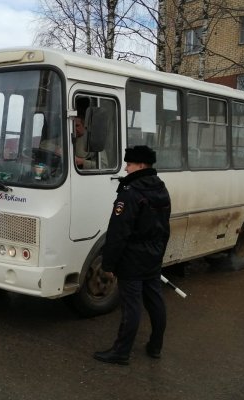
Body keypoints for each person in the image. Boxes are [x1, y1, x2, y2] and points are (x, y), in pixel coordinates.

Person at [93, 145, 171, 366]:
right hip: (153, 256)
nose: (125, 168)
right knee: (155, 300)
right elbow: (164, 227)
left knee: (132, 305)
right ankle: (155, 346)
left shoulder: (131, 192)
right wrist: (158, 254)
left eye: (128, 164)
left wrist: (109, 263)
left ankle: (121, 352)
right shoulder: (161, 188)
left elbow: (118, 232)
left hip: (133, 258)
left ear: (141, 165)